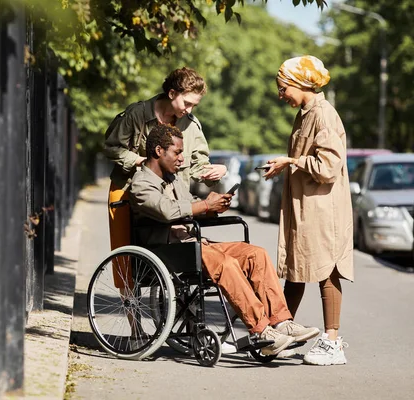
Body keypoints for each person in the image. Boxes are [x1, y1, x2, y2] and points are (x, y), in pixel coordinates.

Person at [130, 123, 320, 356]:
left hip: (192, 244)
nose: (181, 159)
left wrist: (213, 205)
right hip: (166, 249)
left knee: (255, 254)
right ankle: (262, 331)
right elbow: (167, 210)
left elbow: (191, 205)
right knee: (226, 264)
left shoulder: (175, 179)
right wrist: (203, 205)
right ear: (159, 151)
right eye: (177, 152)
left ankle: (281, 322)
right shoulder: (140, 183)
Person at [264, 55, 353, 366]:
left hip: (322, 209)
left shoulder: (324, 116)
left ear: (300, 84)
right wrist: (284, 165)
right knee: (296, 270)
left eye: (282, 88)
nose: (280, 95)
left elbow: (328, 167)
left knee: (326, 269)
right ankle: (281, 331)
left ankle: (332, 342)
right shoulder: (304, 114)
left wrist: (291, 162)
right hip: (305, 206)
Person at [104, 67, 227, 260]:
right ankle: (127, 290)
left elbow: (198, 167)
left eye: (194, 105)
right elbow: (111, 147)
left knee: (181, 255)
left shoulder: (191, 125)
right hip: (132, 194)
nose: (189, 110)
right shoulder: (138, 114)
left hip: (173, 202)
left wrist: (215, 172)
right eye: (187, 103)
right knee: (125, 260)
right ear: (171, 93)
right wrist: (140, 161)